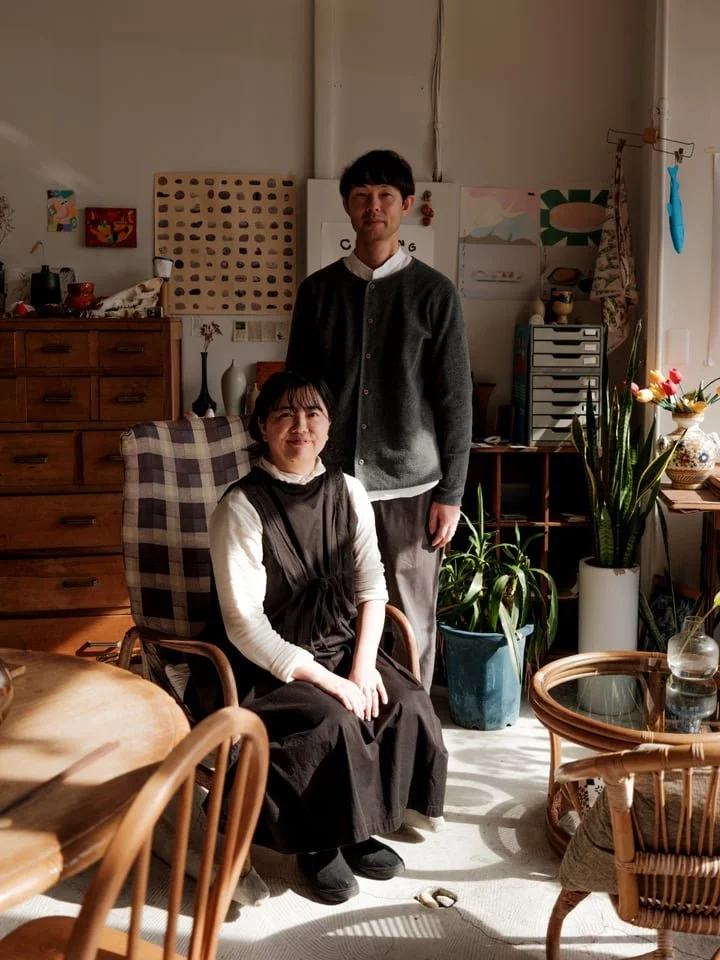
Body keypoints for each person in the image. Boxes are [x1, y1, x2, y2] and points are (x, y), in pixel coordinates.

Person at [204, 371, 448, 905]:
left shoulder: (349, 492)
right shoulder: (240, 508)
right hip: (267, 663)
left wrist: (360, 670)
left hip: (340, 642)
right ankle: (318, 844)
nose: (300, 426)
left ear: (330, 425)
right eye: (285, 415)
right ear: (261, 427)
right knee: (330, 719)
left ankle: (359, 828)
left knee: (403, 699)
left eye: (313, 413)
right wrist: (332, 684)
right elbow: (245, 625)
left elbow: (373, 588)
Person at [286, 148, 472, 690]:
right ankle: (349, 730)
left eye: (385, 196)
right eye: (362, 196)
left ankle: (410, 734)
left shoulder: (434, 294)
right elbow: (297, 393)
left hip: (412, 491)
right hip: (331, 487)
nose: (374, 206)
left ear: (406, 206)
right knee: (332, 614)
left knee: (411, 621)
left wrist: (452, 494)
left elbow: (455, 401)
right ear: (347, 207)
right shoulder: (318, 293)